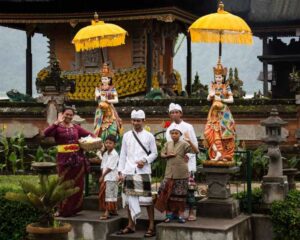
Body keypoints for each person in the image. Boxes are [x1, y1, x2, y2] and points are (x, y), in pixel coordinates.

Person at [43, 106, 94, 217]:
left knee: (77, 184)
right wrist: (56, 122)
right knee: (63, 184)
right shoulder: (57, 128)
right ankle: (61, 210)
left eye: (71, 115)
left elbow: (90, 134)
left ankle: (74, 209)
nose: (69, 117)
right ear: (62, 114)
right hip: (64, 160)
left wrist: (97, 140)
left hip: (77, 160)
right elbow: (45, 134)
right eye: (67, 114)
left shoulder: (76, 127)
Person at [117, 109, 158, 238]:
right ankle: (131, 225)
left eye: (138, 120)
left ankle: (151, 225)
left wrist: (145, 160)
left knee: (147, 200)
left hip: (143, 170)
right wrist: (120, 171)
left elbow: (154, 153)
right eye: (134, 120)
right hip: (129, 170)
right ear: (131, 121)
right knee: (129, 199)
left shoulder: (149, 136)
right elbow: (122, 154)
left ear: (143, 121)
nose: (136, 123)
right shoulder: (127, 136)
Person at [155, 125, 199, 223]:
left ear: (180, 134)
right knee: (167, 194)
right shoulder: (167, 143)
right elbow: (161, 154)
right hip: (169, 173)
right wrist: (167, 155)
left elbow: (196, 151)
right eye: (172, 133)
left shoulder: (184, 144)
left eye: (176, 133)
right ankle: (169, 215)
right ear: (170, 134)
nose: (174, 135)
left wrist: (189, 141)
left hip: (181, 173)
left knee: (180, 196)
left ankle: (180, 215)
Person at [165, 103, 198, 221]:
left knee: (189, 188)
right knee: (174, 189)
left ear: (181, 113)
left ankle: (191, 211)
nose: (174, 114)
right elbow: (169, 146)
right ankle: (176, 212)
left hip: (187, 163)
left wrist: (188, 155)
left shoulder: (188, 127)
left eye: (176, 112)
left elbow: (194, 145)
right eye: (172, 112)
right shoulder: (169, 129)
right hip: (174, 164)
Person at [204, 59, 236, 162]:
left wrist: (221, 99)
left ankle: (222, 154)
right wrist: (210, 95)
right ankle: (217, 152)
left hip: (223, 112)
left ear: (223, 77)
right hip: (213, 112)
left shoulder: (226, 86)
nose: (218, 79)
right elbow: (208, 99)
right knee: (208, 132)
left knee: (224, 134)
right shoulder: (212, 86)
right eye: (216, 77)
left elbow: (232, 100)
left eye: (220, 77)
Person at [94, 63, 122, 141]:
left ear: (109, 80)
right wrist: (99, 95)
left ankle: (112, 142)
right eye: (102, 79)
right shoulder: (98, 89)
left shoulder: (112, 89)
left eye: (106, 79)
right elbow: (96, 99)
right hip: (100, 111)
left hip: (110, 110)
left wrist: (107, 100)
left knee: (112, 128)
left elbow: (116, 100)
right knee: (99, 129)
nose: (104, 80)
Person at [98, 134, 119, 220]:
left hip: (111, 177)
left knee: (109, 194)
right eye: (106, 143)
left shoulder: (114, 154)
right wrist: (102, 175)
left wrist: (102, 176)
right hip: (106, 177)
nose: (108, 145)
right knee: (106, 194)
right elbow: (103, 165)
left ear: (114, 144)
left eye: (110, 143)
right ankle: (113, 210)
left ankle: (107, 212)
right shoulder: (106, 153)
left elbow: (110, 167)